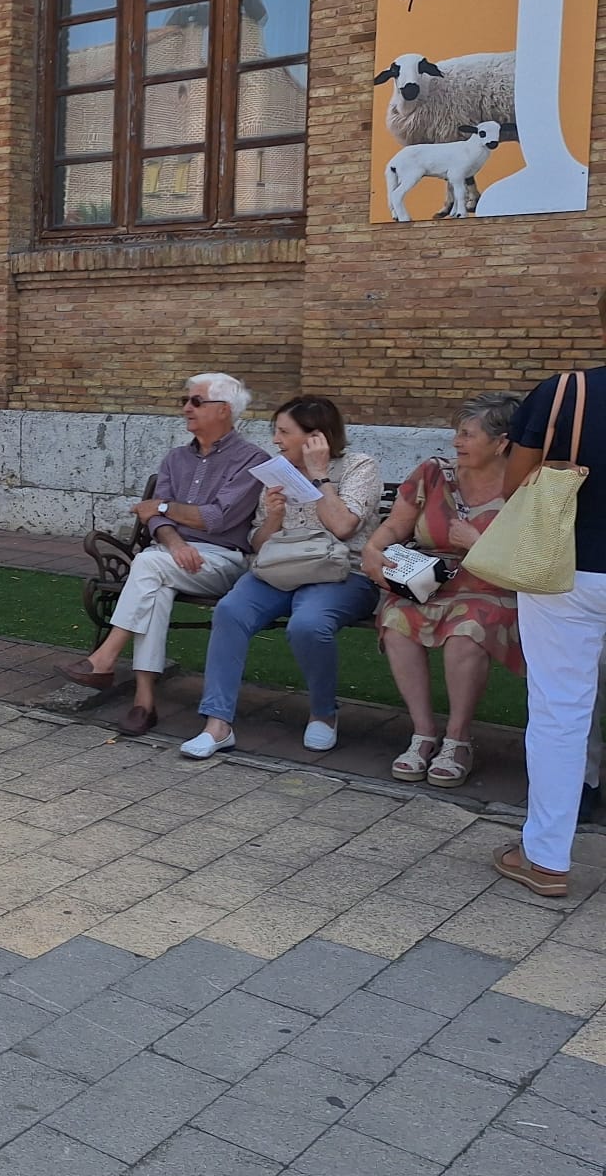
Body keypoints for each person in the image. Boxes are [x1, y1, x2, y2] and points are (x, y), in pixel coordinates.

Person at [57, 374, 270, 733]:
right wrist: (175, 543)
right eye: (186, 401)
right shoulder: (175, 458)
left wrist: (162, 506)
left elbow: (216, 518)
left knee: (148, 565)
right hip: (170, 555)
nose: (187, 408)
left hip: (222, 560)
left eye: (196, 402)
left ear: (225, 411)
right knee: (154, 582)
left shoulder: (252, 460)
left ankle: (106, 658)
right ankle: (144, 702)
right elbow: (154, 520)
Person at [183, 396, 383, 760]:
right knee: (230, 611)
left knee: (307, 624)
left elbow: (343, 527)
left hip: (341, 573)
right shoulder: (278, 470)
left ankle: (323, 713)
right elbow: (258, 543)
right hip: (280, 568)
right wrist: (274, 517)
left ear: (315, 437)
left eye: (283, 432)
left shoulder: (359, 467)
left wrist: (320, 475)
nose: (275, 440)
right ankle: (217, 724)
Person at [360, 393, 522, 790]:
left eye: (467, 434)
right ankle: (423, 734)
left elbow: (529, 555)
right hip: (431, 581)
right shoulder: (433, 473)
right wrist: (373, 550)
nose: (456, 442)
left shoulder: (524, 486)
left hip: (490, 584)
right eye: (457, 433)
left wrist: (475, 541)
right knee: (397, 621)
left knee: (467, 632)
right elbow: (398, 524)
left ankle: (458, 740)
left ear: (500, 442)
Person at [496, 326, 606, 898]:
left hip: (568, 569)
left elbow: (515, 482)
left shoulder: (567, 392)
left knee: (560, 713)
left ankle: (546, 859)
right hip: (570, 575)